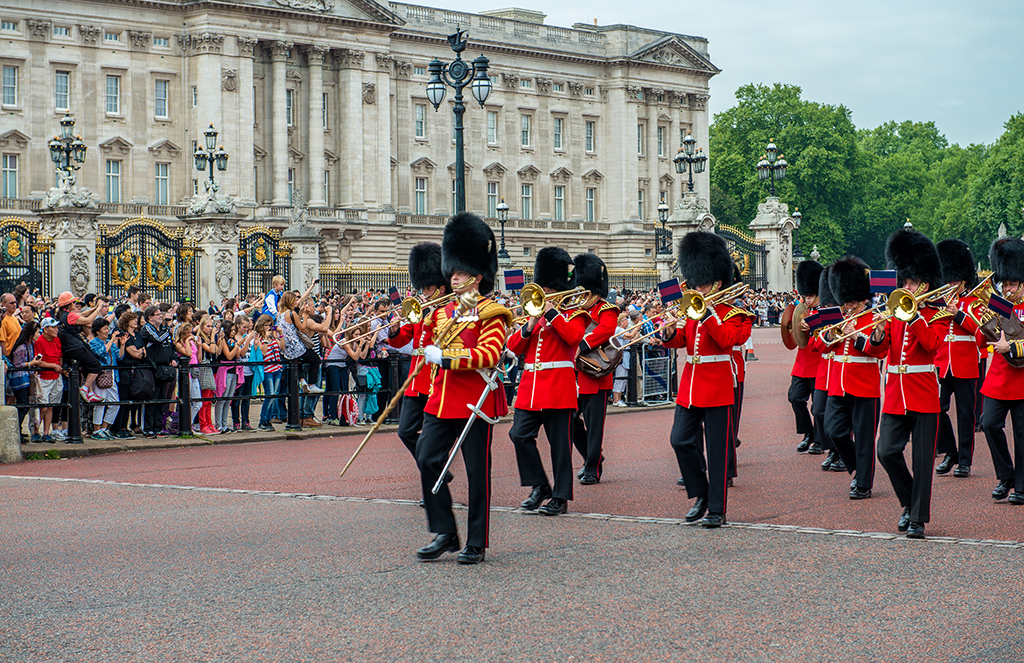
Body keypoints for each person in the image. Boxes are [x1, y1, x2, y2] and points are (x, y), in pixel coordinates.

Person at [415, 212, 511, 565]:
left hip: (474, 403)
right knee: (426, 458)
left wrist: (447, 357)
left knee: (476, 473)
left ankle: (476, 540)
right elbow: (426, 344)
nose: (452, 277)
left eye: (458, 272)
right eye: (451, 272)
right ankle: (445, 532)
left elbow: (488, 355)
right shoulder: (442, 313)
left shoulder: (493, 312)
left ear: (476, 275)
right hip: (441, 400)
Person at [660, 232, 751, 528]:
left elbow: (727, 341)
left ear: (717, 281)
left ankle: (716, 509)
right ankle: (699, 493)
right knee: (680, 440)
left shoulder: (737, 314)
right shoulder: (690, 311)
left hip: (719, 384)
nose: (698, 288)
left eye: (703, 282)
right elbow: (683, 341)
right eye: (695, 282)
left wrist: (708, 315)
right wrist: (669, 333)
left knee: (717, 452)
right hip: (691, 384)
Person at [866, 229, 945, 538]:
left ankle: (917, 518)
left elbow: (931, 344)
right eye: (904, 281)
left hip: (924, 392)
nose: (905, 287)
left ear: (924, 284)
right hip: (896, 394)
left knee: (923, 461)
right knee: (885, 451)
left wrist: (913, 317)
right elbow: (879, 350)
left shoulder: (936, 314)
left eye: (910, 282)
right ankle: (909, 502)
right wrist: (878, 331)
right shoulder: (894, 311)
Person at [508, 247, 587, 516]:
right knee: (518, 434)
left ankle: (561, 497)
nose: (543, 292)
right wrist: (529, 326)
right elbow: (513, 347)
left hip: (558, 385)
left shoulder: (575, 312)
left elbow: (574, 337)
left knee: (560, 445)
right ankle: (540, 485)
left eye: (547, 288)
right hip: (531, 386)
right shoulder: (533, 313)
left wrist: (552, 314)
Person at [821, 257, 882, 500]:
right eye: (845, 301)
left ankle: (863, 482)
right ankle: (860, 465)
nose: (848, 306)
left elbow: (880, 350)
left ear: (864, 299)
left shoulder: (874, 319)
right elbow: (820, 347)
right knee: (833, 432)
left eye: (853, 302)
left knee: (864, 436)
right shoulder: (836, 317)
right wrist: (829, 335)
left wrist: (855, 337)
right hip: (838, 384)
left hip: (865, 385)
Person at [389, 242, 451, 468]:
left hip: (437, 378)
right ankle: (436, 467)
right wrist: (395, 329)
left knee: (432, 437)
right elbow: (402, 339)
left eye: (427, 289)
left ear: (441, 289)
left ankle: (433, 473)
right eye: (422, 289)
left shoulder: (448, 311)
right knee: (405, 431)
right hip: (416, 379)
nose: (423, 293)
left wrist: (429, 312)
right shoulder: (419, 311)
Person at [977, 238, 1024, 505]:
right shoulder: (998, 304)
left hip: (1022, 378)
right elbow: (981, 340)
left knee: (1021, 434)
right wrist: (983, 323)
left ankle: (1021, 485)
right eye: (1004, 284)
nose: (1007, 288)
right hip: (998, 379)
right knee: (989, 424)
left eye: (1011, 284)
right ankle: (1005, 475)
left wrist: (1013, 347)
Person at [933, 239, 985, 478]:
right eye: (948, 278)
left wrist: (959, 314)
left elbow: (981, 331)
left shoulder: (974, 302)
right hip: (944, 363)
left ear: (964, 279)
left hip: (965, 364)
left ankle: (964, 460)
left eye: (954, 280)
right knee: (937, 409)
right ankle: (949, 451)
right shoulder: (939, 302)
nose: (951, 284)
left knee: (966, 414)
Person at [570, 252, 620, 485]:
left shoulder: (605, 309)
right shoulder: (572, 307)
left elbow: (606, 331)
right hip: (572, 375)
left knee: (594, 424)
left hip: (594, 374)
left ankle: (592, 468)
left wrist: (582, 343)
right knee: (570, 420)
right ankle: (592, 457)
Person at [788, 261, 824, 452]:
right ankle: (808, 432)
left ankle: (818, 440)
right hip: (802, 365)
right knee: (794, 398)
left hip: (819, 365)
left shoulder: (825, 312)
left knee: (818, 407)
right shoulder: (801, 310)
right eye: (805, 295)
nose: (807, 299)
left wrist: (814, 329)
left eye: (810, 295)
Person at [53, 291, 104, 403]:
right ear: (69, 304)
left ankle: (90, 393)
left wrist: (95, 308)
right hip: (75, 347)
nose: (75, 304)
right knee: (96, 366)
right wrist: (99, 308)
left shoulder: (63, 315)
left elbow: (82, 315)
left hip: (68, 347)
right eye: (74, 302)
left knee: (86, 367)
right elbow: (88, 320)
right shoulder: (69, 315)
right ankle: (85, 388)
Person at [137, 305, 176, 438]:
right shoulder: (147, 328)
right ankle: (148, 428)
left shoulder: (163, 329)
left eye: (161, 314)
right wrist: (168, 329)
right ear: (150, 317)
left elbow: (170, 345)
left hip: (164, 368)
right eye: (158, 314)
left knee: (161, 399)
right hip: (152, 369)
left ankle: (158, 427)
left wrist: (174, 358)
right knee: (152, 399)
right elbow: (158, 339)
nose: (161, 316)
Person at [87, 317, 120, 441]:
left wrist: (122, 344)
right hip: (100, 375)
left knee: (115, 403)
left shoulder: (110, 342)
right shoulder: (94, 342)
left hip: (112, 374)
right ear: (97, 331)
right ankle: (96, 429)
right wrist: (111, 341)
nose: (107, 331)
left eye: (108, 328)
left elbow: (119, 356)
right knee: (100, 402)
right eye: (105, 329)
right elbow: (100, 353)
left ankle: (104, 428)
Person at [34, 317, 64, 443]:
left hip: (56, 377)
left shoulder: (57, 340)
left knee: (50, 407)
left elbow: (60, 356)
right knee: (43, 407)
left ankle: (46, 432)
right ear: (45, 329)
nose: (57, 329)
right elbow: (38, 361)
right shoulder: (40, 341)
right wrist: (54, 366)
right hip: (44, 378)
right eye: (54, 327)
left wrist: (60, 367)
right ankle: (36, 432)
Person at [9, 321, 39, 442]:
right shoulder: (22, 347)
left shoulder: (30, 345)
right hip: (20, 379)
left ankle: (19, 430)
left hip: (25, 378)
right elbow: (17, 364)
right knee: (23, 405)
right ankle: (16, 431)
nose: (38, 334)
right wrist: (31, 364)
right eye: (37, 332)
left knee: (24, 405)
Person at [0, 291, 21, 356]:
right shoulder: (3, 320)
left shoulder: (15, 318)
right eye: (11, 303)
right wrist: (6, 359)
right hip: (9, 357)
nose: (14, 305)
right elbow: (2, 342)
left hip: (17, 357)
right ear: (3, 304)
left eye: (15, 302)